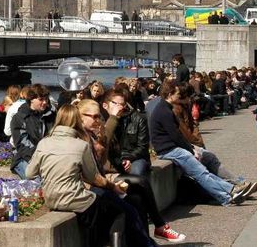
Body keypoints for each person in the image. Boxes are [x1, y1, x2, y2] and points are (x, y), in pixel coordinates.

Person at [26, 105, 155, 247]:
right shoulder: (80, 146)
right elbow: (95, 178)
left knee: (111, 211)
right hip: (77, 200)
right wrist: (113, 187)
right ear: (76, 121)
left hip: (51, 199)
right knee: (120, 213)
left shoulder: (44, 143)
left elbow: (29, 173)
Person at [77, 99, 186, 243]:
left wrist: (106, 143)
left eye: (99, 116)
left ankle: (150, 236)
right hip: (95, 183)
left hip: (108, 174)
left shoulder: (102, 129)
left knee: (138, 198)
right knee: (134, 193)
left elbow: (109, 158)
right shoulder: (80, 137)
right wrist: (108, 128)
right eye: (94, 117)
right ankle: (157, 230)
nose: (98, 120)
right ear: (80, 116)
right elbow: (92, 172)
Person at [148, 78, 250, 206]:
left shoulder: (164, 108)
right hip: (169, 150)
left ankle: (229, 192)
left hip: (170, 149)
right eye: (178, 94)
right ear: (169, 95)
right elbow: (176, 136)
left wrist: (190, 148)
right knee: (201, 173)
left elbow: (176, 136)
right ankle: (227, 194)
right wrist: (191, 150)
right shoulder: (165, 112)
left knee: (202, 172)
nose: (180, 97)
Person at [10, 83, 55, 178]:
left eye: (46, 99)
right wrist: (40, 158)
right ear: (31, 100)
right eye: (41, 99)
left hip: (49, 157)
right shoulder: (20, 117)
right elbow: (22, 145)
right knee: (37, 180)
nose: (45, 102)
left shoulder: (52, 115)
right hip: (25, 158)